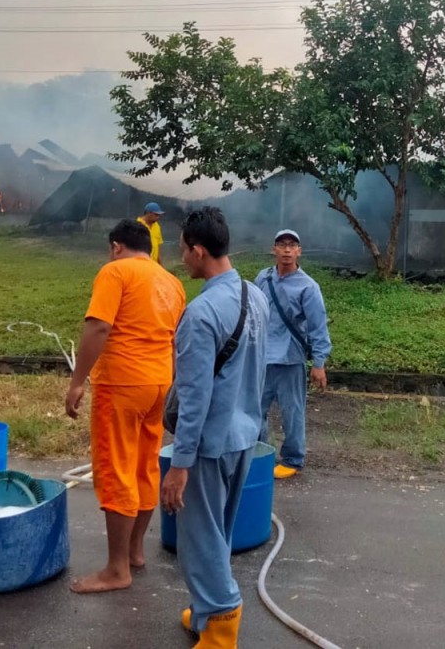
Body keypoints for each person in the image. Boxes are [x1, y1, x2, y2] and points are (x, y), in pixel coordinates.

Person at [161, 207, 268, 648]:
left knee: (199, 540)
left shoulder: (201, 313)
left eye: (183, 250)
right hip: (244, 437)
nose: (180, 257)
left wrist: (179, 464)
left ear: (199, 250)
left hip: (207, 446)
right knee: (217, 532)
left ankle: (222, 626)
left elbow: (194, 397)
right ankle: (207, 613)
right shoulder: (254, 295)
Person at [65, 219, 186, 593]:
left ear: (116, 246)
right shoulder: (172, 282)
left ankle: (117, 569)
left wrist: (77, 381)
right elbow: (177, 340)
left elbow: (98, 327)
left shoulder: (115, 271)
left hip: (121, 382)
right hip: (159, 384)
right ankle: (134, 551)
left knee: (116, 467)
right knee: (144, 466)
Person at [254, 229, 332, 479]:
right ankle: (259, 454)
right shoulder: (263, 279)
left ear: (299, 251)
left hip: (290, 359)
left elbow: (318, 326)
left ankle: (293, 458)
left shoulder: (308, 287)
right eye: (282, 244)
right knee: (254, 410)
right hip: (262, 358)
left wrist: (319, 363)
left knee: (292, 412)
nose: (287, 250)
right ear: (273, 249)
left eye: (292, 245)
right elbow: (253, 316)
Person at [135, 201, 165, 266]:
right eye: (156, 215)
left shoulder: (157, 226)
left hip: (153, 265)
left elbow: (158, 248)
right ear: (149, 213)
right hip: (141, 265)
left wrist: (160, 265)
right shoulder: (137, 226)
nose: (158, 217)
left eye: (159, 215)